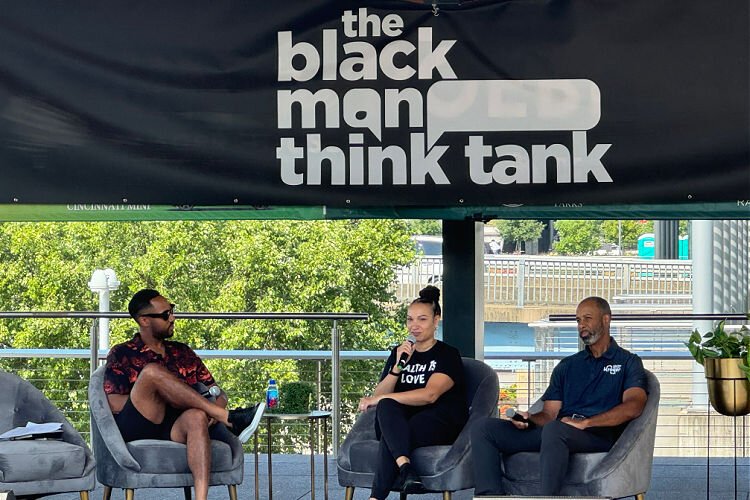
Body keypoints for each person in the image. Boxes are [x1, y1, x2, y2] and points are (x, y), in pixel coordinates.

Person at [471, 296, 648, 496]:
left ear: (606, 319)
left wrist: (586, 423)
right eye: (578, 320)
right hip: (559, 431)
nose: (582, 325)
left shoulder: (628, 362)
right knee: (483, 428)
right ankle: (490, 496)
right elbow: (548, 415)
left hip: (598, 434)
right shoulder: (567, 366)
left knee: (556, 430)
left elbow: (635, 406)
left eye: (587, 318)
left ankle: (548, 498)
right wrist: (530, 420)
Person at [104, 289, 266, 500]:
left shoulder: (182, 352)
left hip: (175, 425)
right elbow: (115, 403)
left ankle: (201, 498)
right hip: (139, 423)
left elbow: (217, 391)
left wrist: (210, 410)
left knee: (197, 416)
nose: (173, 317)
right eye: (165, 315)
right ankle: (227, 419)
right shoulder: (122, 353)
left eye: (171, 311)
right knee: (152, 372)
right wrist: (160, 395)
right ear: (144, 320)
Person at [357, 286, 468, 500]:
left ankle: (376, 496)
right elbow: (379, 395)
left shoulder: (448, 354)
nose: (414, 326)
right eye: (410, 319)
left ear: (436, 320)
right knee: (388, 409)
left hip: (438, 421)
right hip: (398, 421)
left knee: (395, 432)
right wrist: (397, 368)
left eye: (422, 319)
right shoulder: (400, 353)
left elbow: (430, 395)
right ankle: (406, 468)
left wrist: (380, 398)